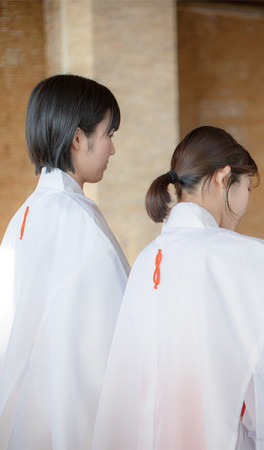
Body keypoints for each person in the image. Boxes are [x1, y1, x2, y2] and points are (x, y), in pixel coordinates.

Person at [92, 126, 264, 449]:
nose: (245, 203)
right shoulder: (225, 254)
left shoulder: (149, 258)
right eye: (246, 186)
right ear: (223, 179)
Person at [0, 74, 130, 448]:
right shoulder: (74, 217)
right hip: (73, 416)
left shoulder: (27, 212)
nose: (112, 149)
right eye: (109, 134)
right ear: (78, 138)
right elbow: (119, 330)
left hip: (28, 416)